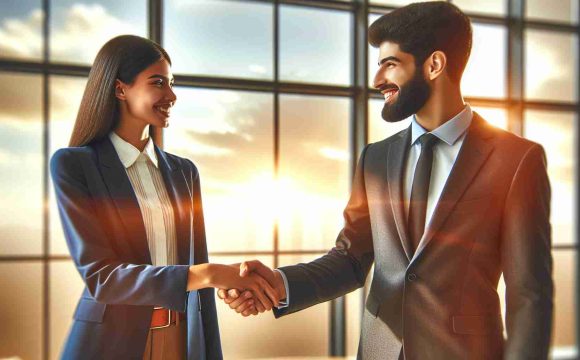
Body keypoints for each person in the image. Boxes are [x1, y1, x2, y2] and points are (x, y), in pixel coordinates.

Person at [218, 2, 553, 359]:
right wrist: (275, 284)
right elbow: (350, 260)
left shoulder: (516, 160)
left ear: (434, 64)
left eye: (389, 64)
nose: (377, 81)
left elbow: (529, 294)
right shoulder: (375, 159)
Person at [50, 35, 278, 360]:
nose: (171, 95)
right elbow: (102, 277)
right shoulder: (74, 165)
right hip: (108, 344)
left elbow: (197, 267)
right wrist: (211, 274)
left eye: (171, 83)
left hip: (180, 339)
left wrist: (224, 285)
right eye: (158, 83)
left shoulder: (184, 172)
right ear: (120, 89)